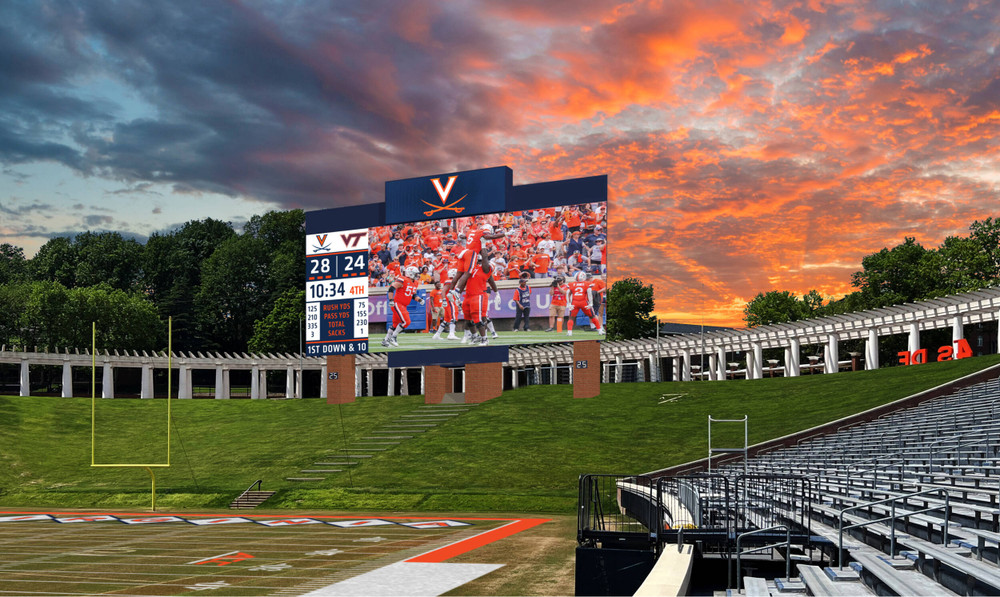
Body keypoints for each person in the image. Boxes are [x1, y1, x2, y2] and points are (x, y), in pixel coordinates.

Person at [461, 249, 498, 346]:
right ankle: (475, 336)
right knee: (468, 320)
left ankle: (484, 339)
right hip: (468, 295)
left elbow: (491, 279)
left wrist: (483, 248)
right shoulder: (473, 268)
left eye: (481, 261)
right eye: (479, 261)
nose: (480, 263)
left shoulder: (487, 269)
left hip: (478, 295)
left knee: (478, 318)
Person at [381, 266, 424, 348]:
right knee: (406, 322)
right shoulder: (403, 279)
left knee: (395, 324)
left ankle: (385, 341)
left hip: (403, 305)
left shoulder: (415, 283)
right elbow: (391, 288)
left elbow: (413, 295)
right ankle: (393, 337)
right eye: (415, 274)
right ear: (410, 274)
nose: (417, 275)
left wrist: (419, 300)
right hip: (397, 304)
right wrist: (391, 300)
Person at [564, 271, 604, 336]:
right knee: (592, 316)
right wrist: (590, 303)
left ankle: (569, 332)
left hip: (574, 302)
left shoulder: (571, 284)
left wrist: (568, 303)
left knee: (571, 318)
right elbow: (589, 293)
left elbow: (567, 293)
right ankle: (599, 330)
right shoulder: (587, 283)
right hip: (584, 302)